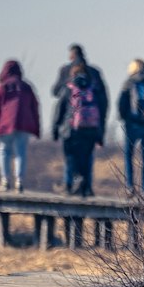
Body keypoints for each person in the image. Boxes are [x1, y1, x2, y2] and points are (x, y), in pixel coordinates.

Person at [52, 61, 106, 197]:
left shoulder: (69, 88)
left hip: (72, 130)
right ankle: (86, 187)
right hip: (91, 130)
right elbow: (102, 110)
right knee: (87, 159)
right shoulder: (94, 88)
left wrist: (55, 128)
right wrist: (100, 133)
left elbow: (60, 110)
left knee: (71, 159)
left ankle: (69, 185)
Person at [0, 60, 40, 192]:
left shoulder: (2, 88)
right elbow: (35, 107)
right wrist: (36, 127)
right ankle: (19, 181)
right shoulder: (27, 87)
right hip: (24, 124)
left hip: (5, 124)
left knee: (4, 151)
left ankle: (5, 180)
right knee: (20, 152)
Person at [117, 59, 144, 194]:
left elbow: (122, 103)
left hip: (132, 124)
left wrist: (125, 118)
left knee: (128, 156)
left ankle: (130, 186)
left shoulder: (129, 83)